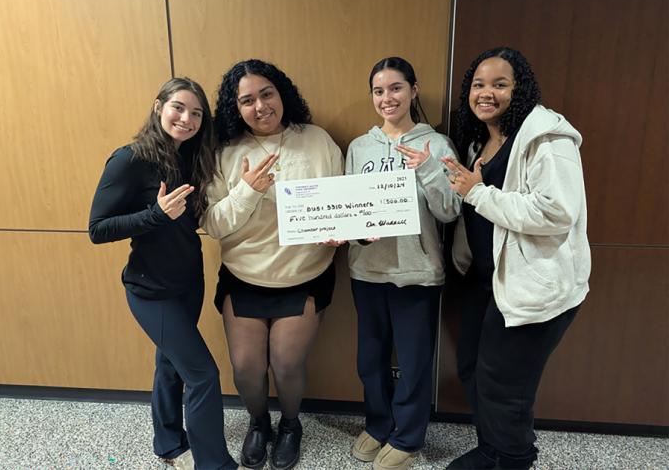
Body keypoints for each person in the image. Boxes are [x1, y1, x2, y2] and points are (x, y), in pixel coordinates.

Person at [442, 47, 590, 470]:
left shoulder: (547, 136)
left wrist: (477, 192)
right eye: (478, 84)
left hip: (531, 284)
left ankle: (515, 458)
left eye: (499, 84)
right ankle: (492, 449)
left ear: (519, 88)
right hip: (485, 280)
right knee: (473, 370)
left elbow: (557, 212)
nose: (486, 93)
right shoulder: (478, 138)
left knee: (505, 386)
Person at [88, 78, 239, 470]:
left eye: (196, 113)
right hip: (150, 291)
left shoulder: (191, 154)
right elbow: (98, 229)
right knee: (204, 375)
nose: (186, 119)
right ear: (158, 107)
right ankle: (214, 464)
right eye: (178, 108)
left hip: (188, 283)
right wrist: (155, 215)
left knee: (170, 365)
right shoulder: (130, 159)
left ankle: (169, 444)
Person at [202, 59, 344, 470]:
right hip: (245, 275)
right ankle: (259, 422)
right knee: (246, 368)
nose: (260, 106)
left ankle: (291, 424)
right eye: (247, 100)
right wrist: (245, 192)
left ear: (282, 94)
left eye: (267, 94)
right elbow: (212, 224)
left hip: (304, 274)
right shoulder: (226, 151)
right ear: (235, 107)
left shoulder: (316, 140)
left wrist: (338, 228)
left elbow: (341, 200)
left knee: (286, 364)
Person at [343, 57, 461, 470]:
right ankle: (378, 425)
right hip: (367, 271)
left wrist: (428, 168)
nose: (387, 98)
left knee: (413, 361)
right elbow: (350, 209)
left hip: (417, 271)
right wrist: (356, 231)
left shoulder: (439, 145)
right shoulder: (360, 147)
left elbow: (449, 212)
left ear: (413, 90)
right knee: (369, 359)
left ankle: (408, 437)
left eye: (395, 88)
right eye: (378, 90)